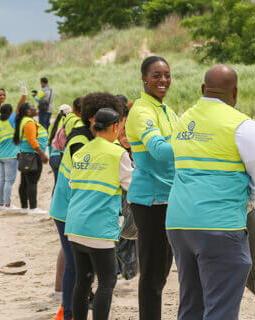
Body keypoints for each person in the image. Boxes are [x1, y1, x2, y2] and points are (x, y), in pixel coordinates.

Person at [166, 65, 255, 320]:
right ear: (235, 93)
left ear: (203, 89)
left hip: (179, 224)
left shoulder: (183, 121)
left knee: (191, 303)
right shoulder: (242, 125)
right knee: (221, 307)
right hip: (219, 224)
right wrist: (246, 201)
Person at [49, 93, 124, 320]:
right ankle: (68, 312)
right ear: (92, 118)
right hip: (71, 209)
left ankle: (71, 309)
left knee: (82, 270)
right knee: (80, 268)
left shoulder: (94, 141)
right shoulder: (81, 140)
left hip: (77, 213)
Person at [65, 106, 132, 320]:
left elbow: (72, 182)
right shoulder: (117, 153)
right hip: (99, 228)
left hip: (76, 225)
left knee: (83, 281)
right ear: (114, 126)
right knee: (107, 281)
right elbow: (132, 185)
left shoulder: (83, 150)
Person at [125, 56, 178, 320]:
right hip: (150, 200)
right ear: (144, 78)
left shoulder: (167, 110)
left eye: (167, 75)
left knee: (163, 270)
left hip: (171, 198)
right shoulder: (141, 111)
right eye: (156, 75)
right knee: (153, 273)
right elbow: (158, 150)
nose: (163, 80)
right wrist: (195, 145)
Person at [14, 102, 50, 214]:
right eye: (33, 107)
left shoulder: (24, 121)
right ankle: (33, 208)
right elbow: (32, 140)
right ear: (28, 111)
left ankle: (24, 207)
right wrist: (42, 154)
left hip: (25, 154)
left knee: (25, 181)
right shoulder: (29, 122)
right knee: (32, 181)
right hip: (32, 155)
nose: (35, 108)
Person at [0, 104, 20, 209]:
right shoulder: (10, 121)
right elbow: (19, 108)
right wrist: (24, 94)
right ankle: (8, 204)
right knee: (9, 181)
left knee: (2, 180)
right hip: (11, 156)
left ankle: (0, 204)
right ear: (10, 113)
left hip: (0, 156)